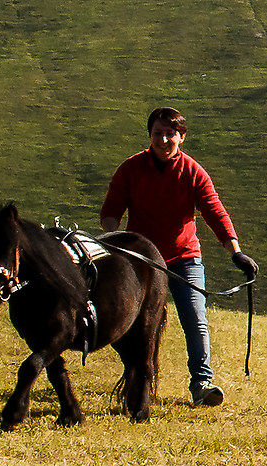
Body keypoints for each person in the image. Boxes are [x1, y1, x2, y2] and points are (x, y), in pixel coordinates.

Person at [100, 107, 257, 406]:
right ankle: (136, 374)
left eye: (170, 134)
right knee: (124, 321)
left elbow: (215, 212)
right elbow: (111, 212)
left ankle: (202, 384)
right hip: (140, 261)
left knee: (196, 319)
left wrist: (236, 253)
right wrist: (114, 244)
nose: (163, 140)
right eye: (157, 133)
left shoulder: (193, 172)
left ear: (182, 137)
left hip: (183, 259)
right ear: (149, 135)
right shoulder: (130, 169)